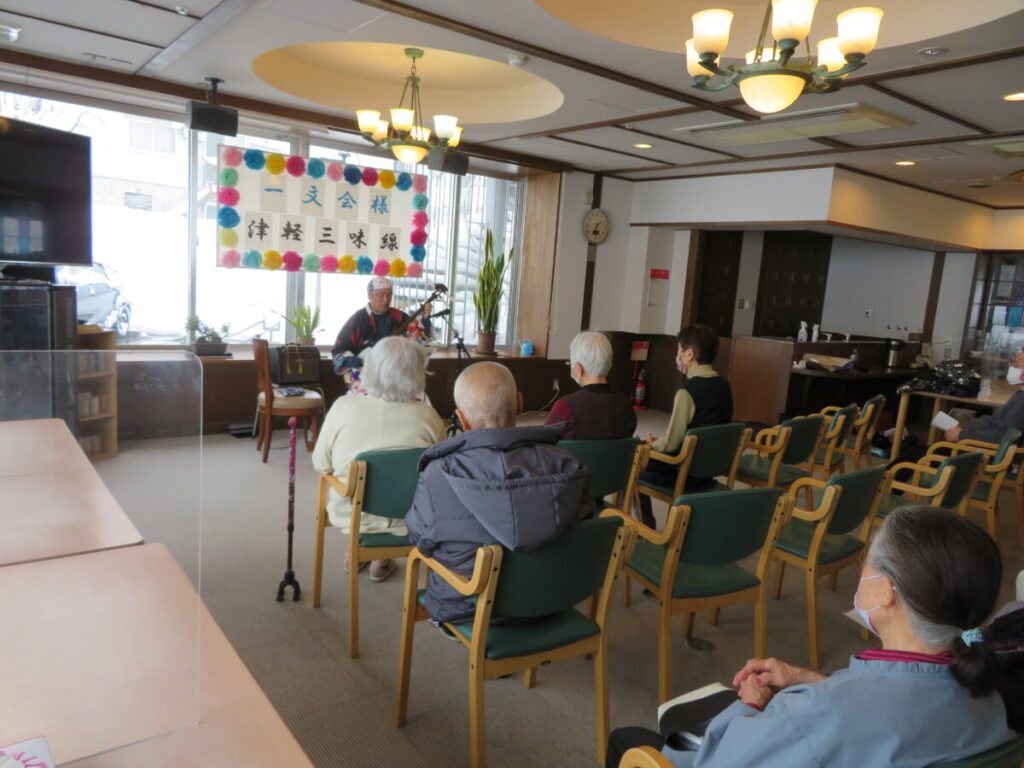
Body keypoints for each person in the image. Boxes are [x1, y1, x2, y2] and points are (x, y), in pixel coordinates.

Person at [605, 505, 1024, 768]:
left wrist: (748, 705)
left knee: (628, 740)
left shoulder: (809, 717)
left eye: (867, 562)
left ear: (884, 591)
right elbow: (892, 721)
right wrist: (816, 682)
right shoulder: (989, 696)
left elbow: (716, 762)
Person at [406, 361, 594, 625]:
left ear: (461, 418)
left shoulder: (438, 473)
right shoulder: (567, 463)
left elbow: (421, 541)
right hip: (551, 599)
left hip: (468, 608)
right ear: (519, 403)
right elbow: (584, 525)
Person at [313, 336, 445, 582]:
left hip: (352, 513)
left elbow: (321, 464)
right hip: (410, 515)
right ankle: (380, 560)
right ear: (417, 373)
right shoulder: (429, 417)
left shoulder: (343, 407)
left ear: (371, 367)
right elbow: (440, 470)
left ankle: (355, 550)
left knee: (339, 482)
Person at [638, 324, 732, 527]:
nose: (677, 356)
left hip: (683, 470)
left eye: (679, 351)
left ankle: (646, 528)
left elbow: (671, 445)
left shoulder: (687, 391)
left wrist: (649, 445)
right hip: (709, 469)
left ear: (689, 354)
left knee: (633, 462)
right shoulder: (724, 386)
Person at [544, 331, 637, 440]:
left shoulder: (565, 406)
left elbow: (544, 438)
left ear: (578, 369)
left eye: (570, 363)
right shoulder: (626, 405)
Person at [330, 276, 429, 374]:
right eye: (381, 295)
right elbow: (339, 349)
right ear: (370, 295)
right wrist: (351, 361)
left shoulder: (399, 316)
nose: (386, 300)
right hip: (364, 374)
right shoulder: (358, 319)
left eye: (389, 295)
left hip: (394, 373)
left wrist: (425, 319)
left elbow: (420, 341)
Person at [944, 350, 1024, 443]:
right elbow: (994, 422)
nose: (1013, 367)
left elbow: (1004, 437)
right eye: (1013, 362)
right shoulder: (1020, 394)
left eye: (1017, 363)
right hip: (981, 442)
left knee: (936, 448)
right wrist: (965, 427)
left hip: (987, 450)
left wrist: (961, 434)